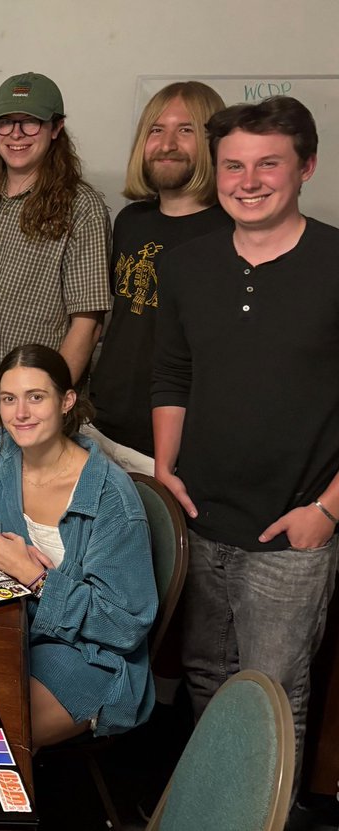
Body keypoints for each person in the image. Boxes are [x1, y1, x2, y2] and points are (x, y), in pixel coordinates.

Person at [151, 96, 339, 795]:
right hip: (202, 516)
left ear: (306, 168)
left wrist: (328, 508)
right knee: (205, 678)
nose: (248, 180)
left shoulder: (334, 261)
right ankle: (214, 805)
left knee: (271, 697)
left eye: (269, 164)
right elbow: (172, 372)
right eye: (233, 164)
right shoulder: (187, 265)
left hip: (292, 531)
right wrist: (166, 465)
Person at [0, 344, 156, 748]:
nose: (20, 413)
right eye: (9, 399)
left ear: (67, 401)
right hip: (11, 622)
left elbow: (123, 625)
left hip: (87, 654)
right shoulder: (0, 451)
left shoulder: (113, 500)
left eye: (35, 397)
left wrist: (35, 577)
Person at [0, 72, 111, 441]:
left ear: (56, 128)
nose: (16, 134)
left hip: (37, 408)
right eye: (5, 122)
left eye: (30, 122)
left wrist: (44, 402)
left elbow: (86, 324)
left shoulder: (81, 208)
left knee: (37, 498)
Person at [85, 82, 229, 475]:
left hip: (169, 448)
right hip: (101, 427)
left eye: (186, 130)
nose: (167, 144)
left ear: (216, 142)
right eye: (155, 129)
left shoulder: (231, 234)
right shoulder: (130, 221)